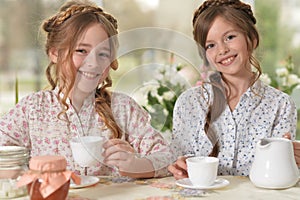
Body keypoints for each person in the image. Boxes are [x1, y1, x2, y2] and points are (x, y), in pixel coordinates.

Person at [0, 0, 174, 179]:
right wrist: (25, 173)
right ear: (55, 53)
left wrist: (135, 165)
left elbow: (168, 158)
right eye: (82, 50)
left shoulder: (123, 108)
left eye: (103, 54)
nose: (93, 63)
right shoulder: (33, 109)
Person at [168, 0, 299, 179]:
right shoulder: (189, 103)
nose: (222, 50)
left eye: (230, 37)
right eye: (210, 45)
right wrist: (180, 166)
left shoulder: (280, 105)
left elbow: (279, 172)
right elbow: (178, 159)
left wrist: (290, 160)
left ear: (252, 39)